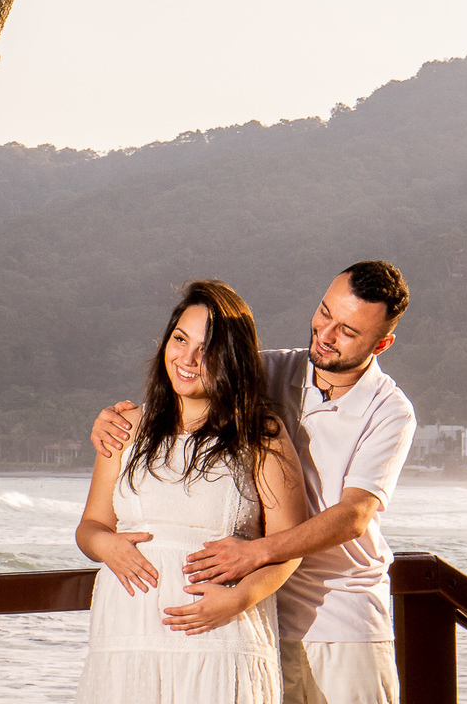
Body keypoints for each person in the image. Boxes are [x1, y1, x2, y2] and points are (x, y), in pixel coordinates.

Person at [91, 262, 415, 704]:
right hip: (256, 611)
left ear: (382, 343)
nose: (325, 333)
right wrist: (115, 423)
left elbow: (354, 516)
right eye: (324, 313)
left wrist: (256, 554)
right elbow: (192, 381)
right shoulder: (273, 370)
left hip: (341, 613)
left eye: (347, 331)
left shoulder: (389, 410)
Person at [74, 277, 309, 704]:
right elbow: (90, 526)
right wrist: (107, 546)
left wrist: (239, 599)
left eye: (208, 350)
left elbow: (289, 545)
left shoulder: (261, 435)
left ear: (232, 360)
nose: (188, 357)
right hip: (129, 632)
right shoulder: (124, 428)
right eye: (180, 339)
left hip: (221, 635)